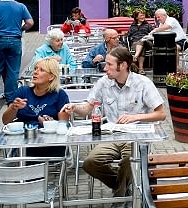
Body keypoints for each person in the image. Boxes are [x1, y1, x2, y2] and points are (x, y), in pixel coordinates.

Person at [61, 46, 166, 199]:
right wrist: (74, 107)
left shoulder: (142, 83)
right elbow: (88, 108)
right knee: (90, 163)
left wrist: (135, 117)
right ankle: (122, 186)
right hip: (111, 135)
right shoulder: (104, 83)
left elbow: (161, 114)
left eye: (109, 64)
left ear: (123, 65)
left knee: (129, 162)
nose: (105, 68)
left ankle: (120, 198)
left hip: (135, 136)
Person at [3, 57, 70, 156]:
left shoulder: (60, 95)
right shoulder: (22, 91)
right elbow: (5, 121)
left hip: (51, 144)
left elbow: (64, 126)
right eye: (35, 69)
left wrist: (52, 123)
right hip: (24, 144)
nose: (35, 72)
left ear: (51, 76)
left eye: (41, 70)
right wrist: (13, 107)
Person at [127, 10, 153, 74]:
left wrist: (147, 37)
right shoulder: (132, 26)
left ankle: (135, 57)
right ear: (136, 17)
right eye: (141, 15)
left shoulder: (148, 25)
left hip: (147, 42)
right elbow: (128, 35)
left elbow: (153, 34)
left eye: (144, 15)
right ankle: (141, 69)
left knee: (142, 41)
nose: (143, 17)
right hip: (135, 43)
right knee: (141, 46)